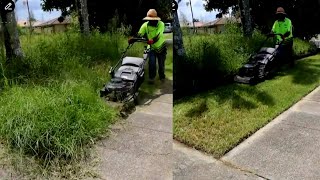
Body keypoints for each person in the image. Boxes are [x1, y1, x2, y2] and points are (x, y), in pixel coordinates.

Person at [129, 9, 167, 84]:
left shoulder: (161, 24)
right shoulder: (145, 25)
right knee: (152, 63)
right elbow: (139, 34)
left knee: (161, 64)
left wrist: (152, 40)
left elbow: (158, 35)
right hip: (152, 47)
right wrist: (133, 39)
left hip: (161, 47)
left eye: (152, 19)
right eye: (150, 19)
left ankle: (162, 76)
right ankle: (151, 78)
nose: (151, 21)